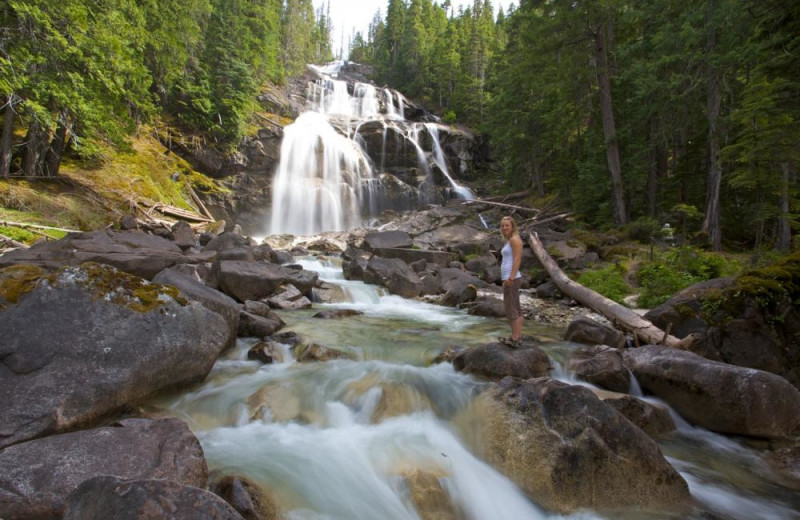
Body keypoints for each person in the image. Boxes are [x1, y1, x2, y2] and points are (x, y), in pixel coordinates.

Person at [499, 216, 523, 345]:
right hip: (510, 278)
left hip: (512, 278)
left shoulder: (514, 240)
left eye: (507, 225)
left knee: (510, 308)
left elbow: (517, 259)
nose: (504, 228)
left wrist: (510, 278)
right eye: (502, 225)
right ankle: (516, 336)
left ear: (512, 226)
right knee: (516, 307)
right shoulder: (509, 241)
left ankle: (514, 338)